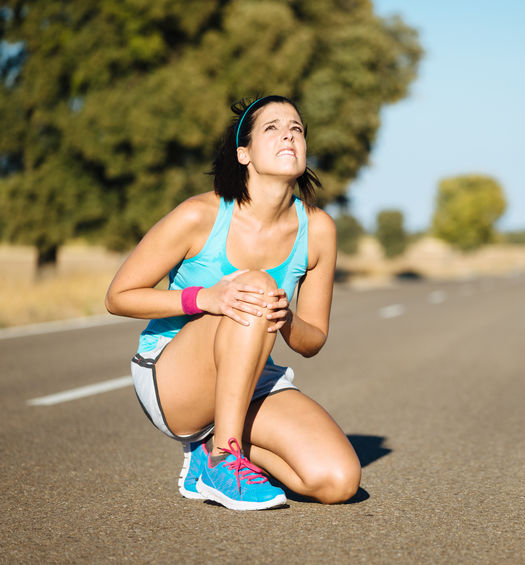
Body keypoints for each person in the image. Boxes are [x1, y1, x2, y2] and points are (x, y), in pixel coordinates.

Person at [105, 95, 361, 510]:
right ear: (244, 153)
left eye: (296, 129)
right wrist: (205, 298)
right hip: (172, 376)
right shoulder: (200, 215)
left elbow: (312, 342)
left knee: (337, 481)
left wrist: (286, 318)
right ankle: (226, 456)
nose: (288, 135)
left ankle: (210, 453)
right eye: (272, 128)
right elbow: (118, 297)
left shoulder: (318, 229)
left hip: (253, 376)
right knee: (255, 286)